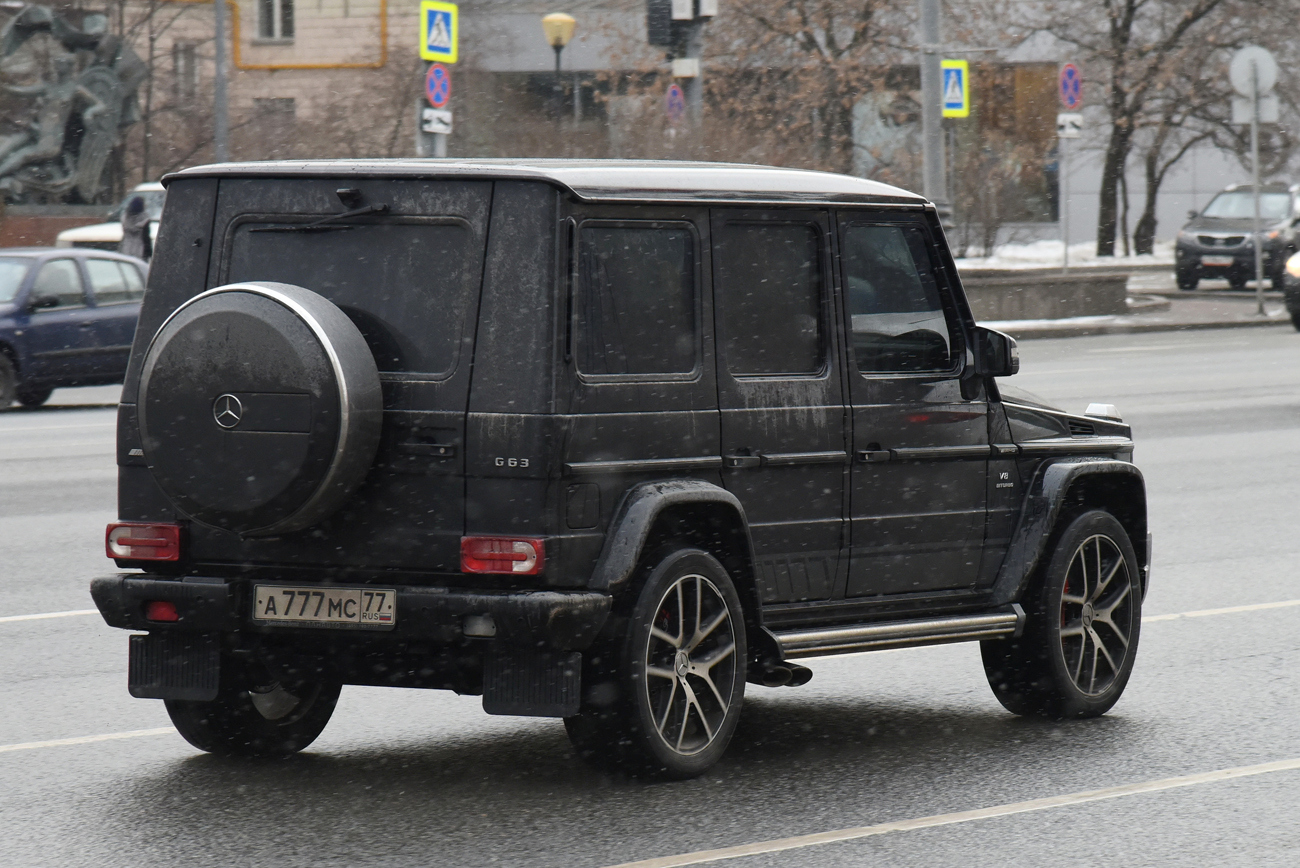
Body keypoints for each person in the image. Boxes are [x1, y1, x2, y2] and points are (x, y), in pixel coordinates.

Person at [119, 195, 151, 261]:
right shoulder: (144, 219)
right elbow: (146, 238)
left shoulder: (125, 217)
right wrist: (149, 252)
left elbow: (124, 234)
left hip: (126, 248)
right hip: (139, 249)